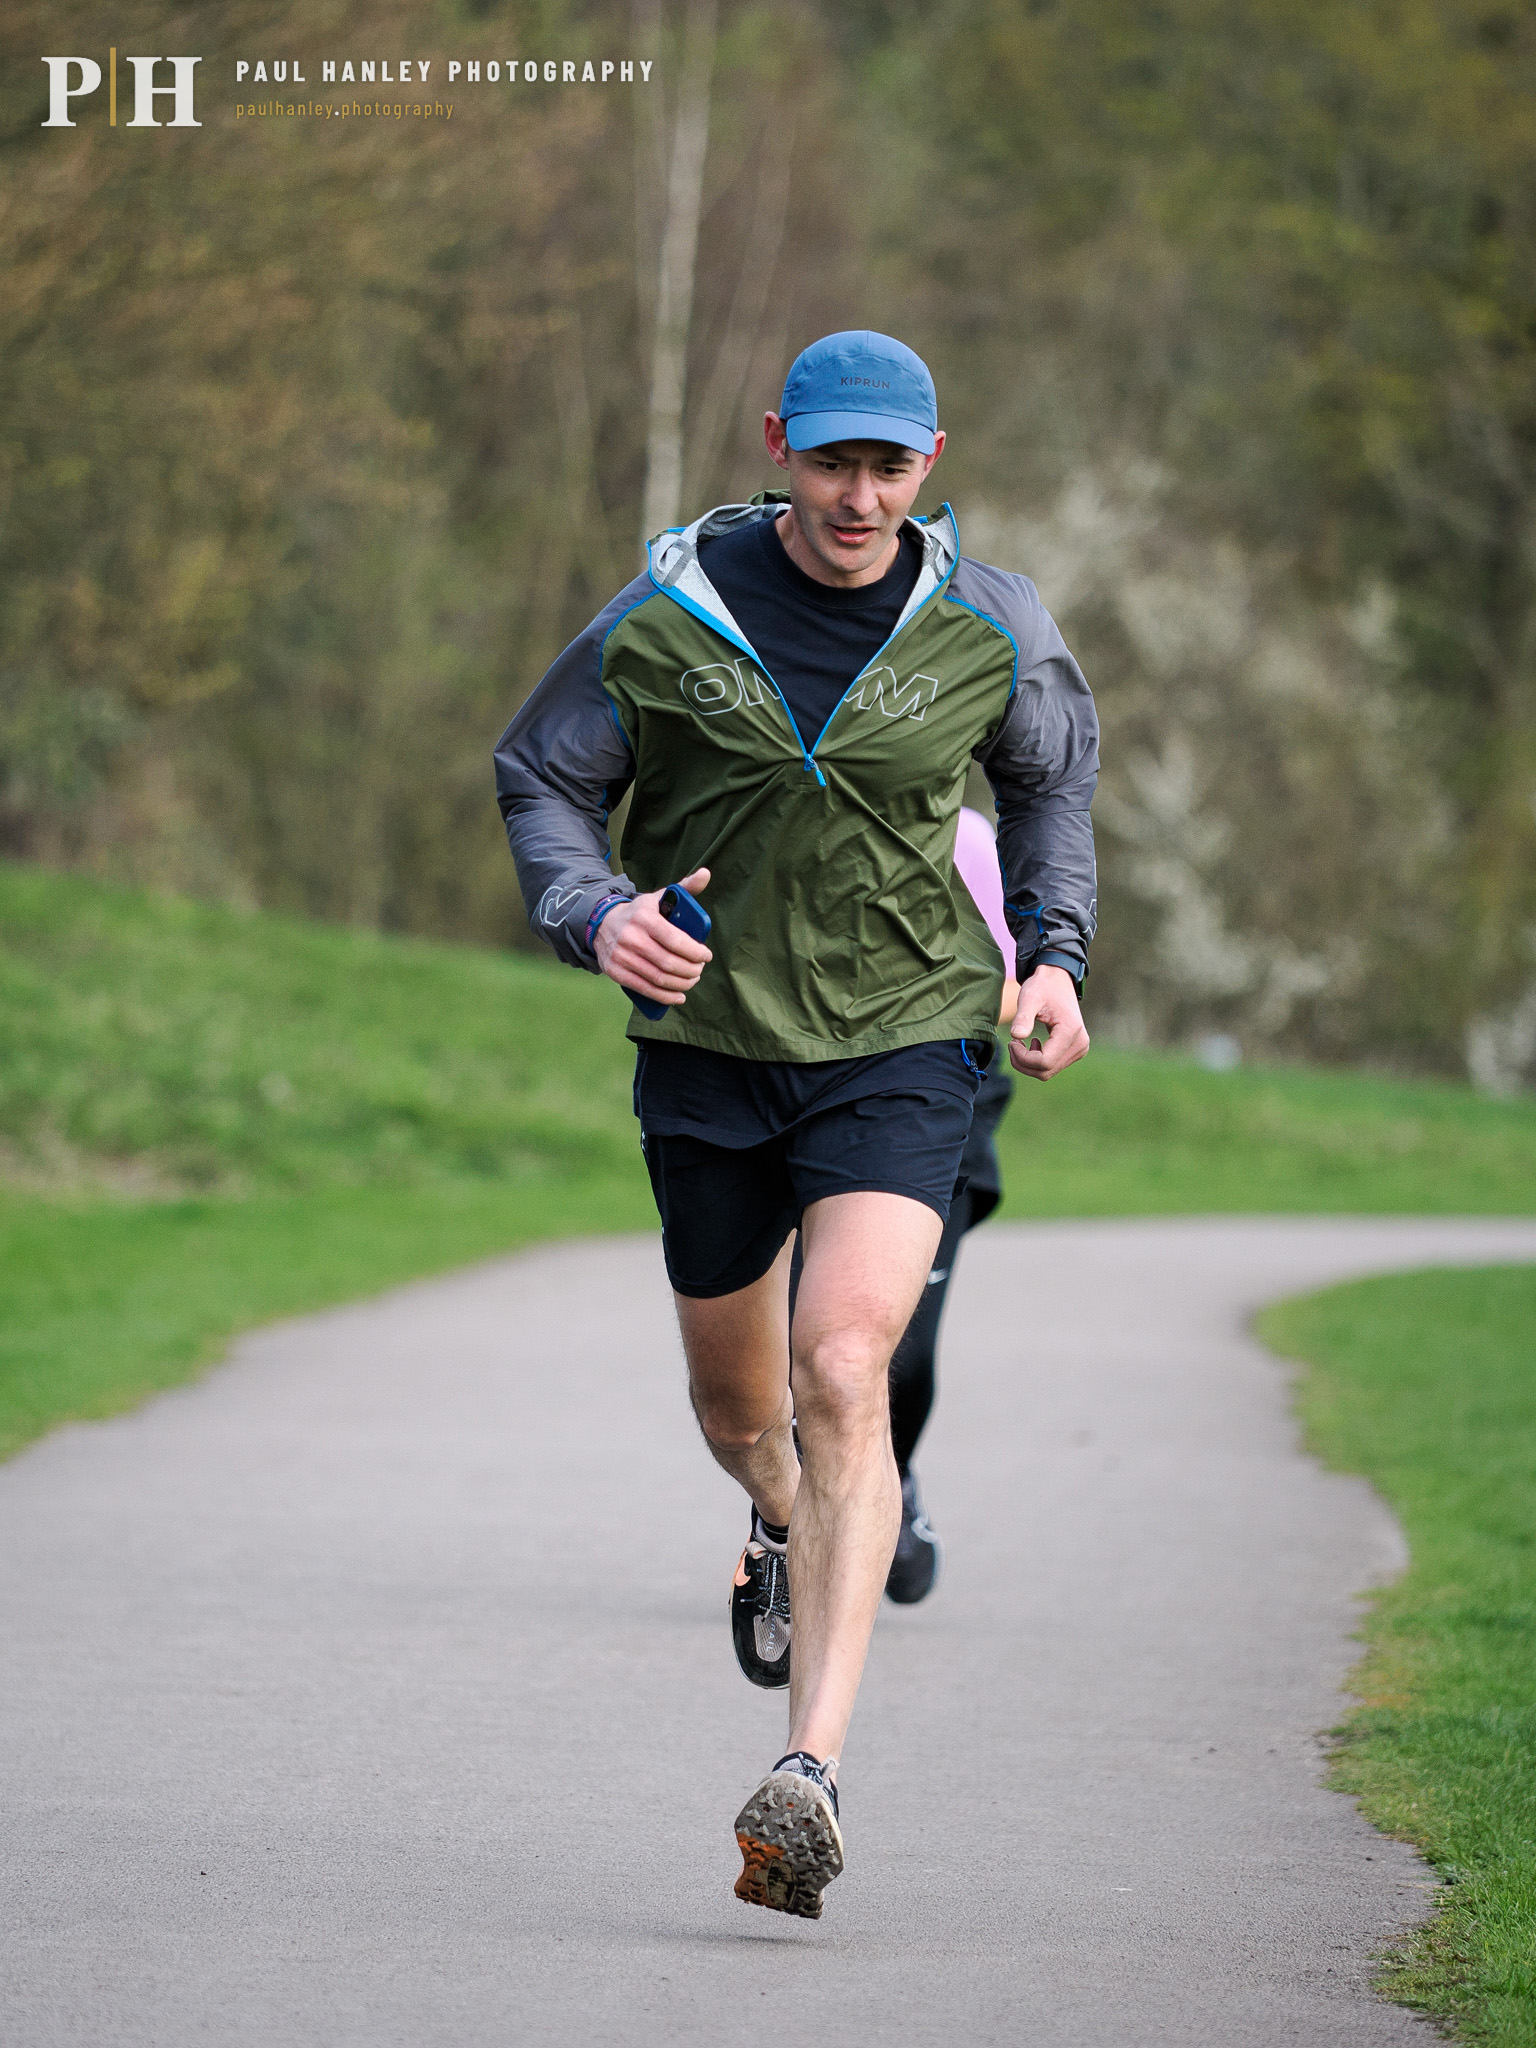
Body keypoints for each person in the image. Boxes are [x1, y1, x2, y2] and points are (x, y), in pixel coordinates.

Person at [495, 330, 1097, 1920]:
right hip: (709, 1050)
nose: (857, 493)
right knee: (737, 1408)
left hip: (902, 1039)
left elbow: (1049, 789)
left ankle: (806, 1773)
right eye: (831, 459)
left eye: (888, 465)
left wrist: (1052, 956)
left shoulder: (985, 621)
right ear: (781, 446)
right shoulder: (670, 611)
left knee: (847, 1366)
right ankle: (782, 1521)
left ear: (930, 465)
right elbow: (539, 777)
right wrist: (591, 909)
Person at [788, 804, 1020, 1608]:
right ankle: (789, 1522)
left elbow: (1010, 989)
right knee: (813, 1353)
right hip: (794, 1094)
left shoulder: (970, 838)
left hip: (931, 1108)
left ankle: (896, 1476)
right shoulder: (798, 807)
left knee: (901, 1356)